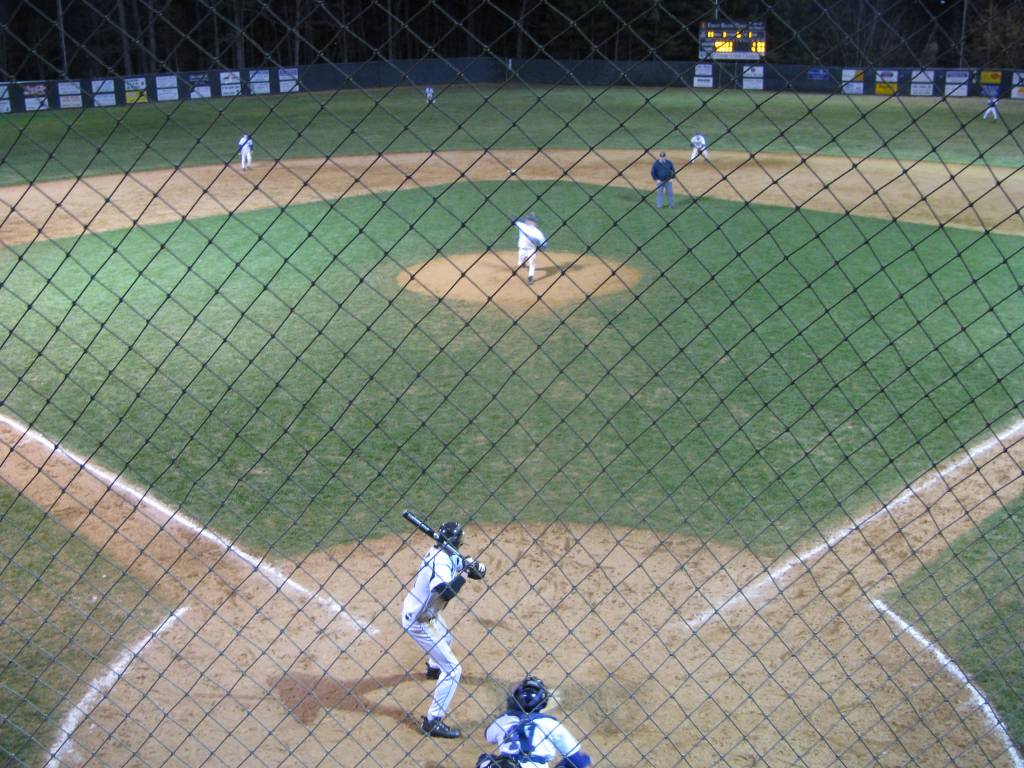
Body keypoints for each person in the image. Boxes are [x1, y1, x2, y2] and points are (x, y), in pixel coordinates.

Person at [401, 521, 484, 738]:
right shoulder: (439, 561)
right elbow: (445, 591)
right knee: (454, 669)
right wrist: (464, 574)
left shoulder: (447, 553)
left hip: (427, 613)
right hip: (419, 620)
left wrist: (475, 567)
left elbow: (476, 572)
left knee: (446, 639)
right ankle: (432, 721)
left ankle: (433, 668)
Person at [476, 675, 592, 768]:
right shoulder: (552, 724)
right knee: (576, 763)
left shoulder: (504, 720)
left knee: (485, 759)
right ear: (544, 702)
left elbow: (488, 736)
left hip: (510, 765)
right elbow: (577, 760)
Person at [513, 213, 547, 285]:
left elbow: (544, 243)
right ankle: (523, 263)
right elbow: (513, 219)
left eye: (530, 220)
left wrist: (542, 247)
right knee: (519, 264)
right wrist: (522, 220)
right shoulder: (522, 225)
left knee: (532, 263)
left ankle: (530, 277)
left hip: (532, 250)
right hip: (522, 249)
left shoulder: (537, 232)